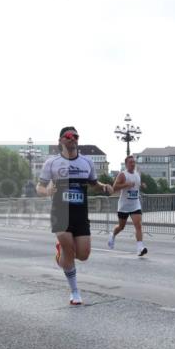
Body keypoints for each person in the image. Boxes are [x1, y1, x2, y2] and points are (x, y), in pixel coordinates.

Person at [37, 126, 113, 305]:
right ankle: (75, 292)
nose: (72, 139)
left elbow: (93, 182)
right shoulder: (52, 163)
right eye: (68, 136)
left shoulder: (86, 162)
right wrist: (46, 190)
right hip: (60, 213)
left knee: (83, 254)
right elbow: (39, 187)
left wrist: (103, 186)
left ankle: (60, 253)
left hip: (81, 213)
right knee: (69, 251)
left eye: (75, 136)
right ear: (60, 141)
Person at [108, 155, 148, 256]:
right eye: (130, 162)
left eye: (133, 162)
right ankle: (112, 235)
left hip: (135, 204)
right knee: (121, 227)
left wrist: (142, 184)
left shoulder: (137, 173)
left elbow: (137, 184)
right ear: (126, 164)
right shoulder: (122, 175)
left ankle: (140, 248)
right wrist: (126, 184)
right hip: (124, 206)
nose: (133, 164)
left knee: (138, 225)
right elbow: (114, 187)